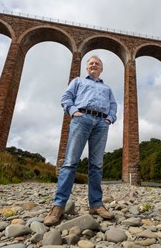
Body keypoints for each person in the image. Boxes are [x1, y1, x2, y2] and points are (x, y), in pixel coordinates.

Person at [44, 55, 117, 226]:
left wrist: (110, 119)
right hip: (81, 119)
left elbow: (113, 105)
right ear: (86, 67)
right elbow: (66, 98)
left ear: (101, 68)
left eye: (97, 63)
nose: (94, 65)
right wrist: (74, 112)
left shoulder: (107, 88)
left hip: (101, 123)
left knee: (97, 165)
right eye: (91, 63)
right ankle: (58, 206)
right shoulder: (78, 81)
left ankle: (96, 204)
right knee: (70, 162)